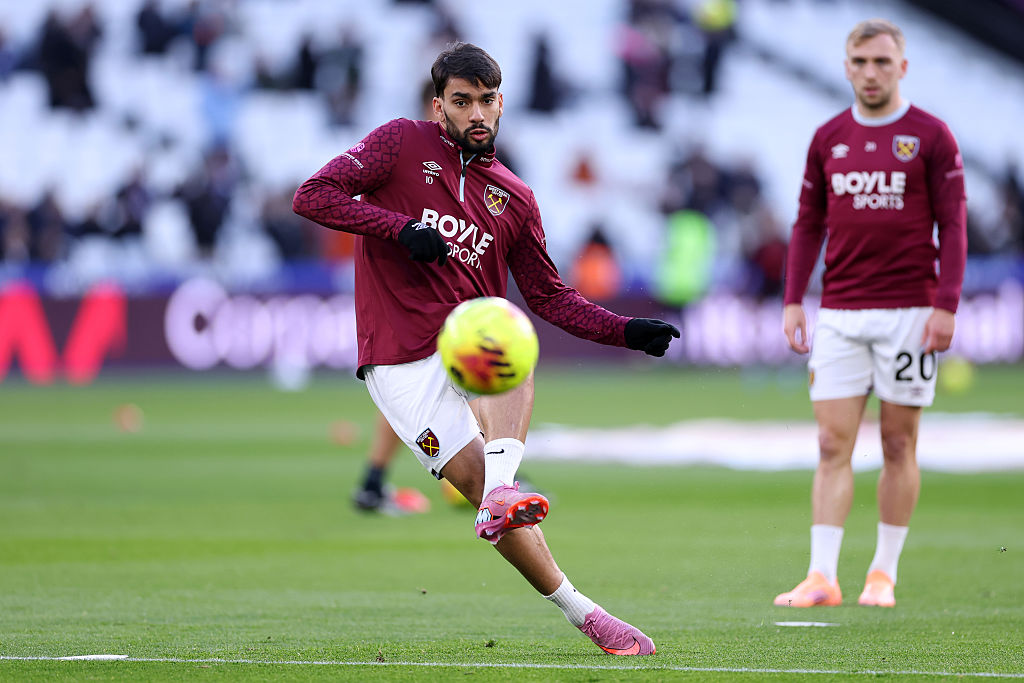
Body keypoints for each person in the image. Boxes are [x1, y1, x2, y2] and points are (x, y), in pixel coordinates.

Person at [293, 41, 678, 655]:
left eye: (486, 100)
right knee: (473, 485)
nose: (475, 112)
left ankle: (509, 498)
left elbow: (548, 296)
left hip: (468, 340)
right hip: (397, 357)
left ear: (501, 104)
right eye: (461, 101)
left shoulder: (515, 198)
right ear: (439, 105)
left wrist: (625, 331)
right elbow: (312, 195)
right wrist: (399, 228)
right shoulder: (399, 142)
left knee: (507, 330)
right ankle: (574, 601)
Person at [776, 19, 967, 609]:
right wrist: (793, 298)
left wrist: (946, 304)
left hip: (911, 310)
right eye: (860, 62)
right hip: (839, 312)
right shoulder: (828, 137)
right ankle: (822, 576)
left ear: (902, 67)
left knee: (897, 443)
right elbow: (808, 223)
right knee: (831, 443)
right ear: (846, 68)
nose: (871, 72)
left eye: (882, 61)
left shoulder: (931, 136)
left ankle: (883, 573)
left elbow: (954, 225)